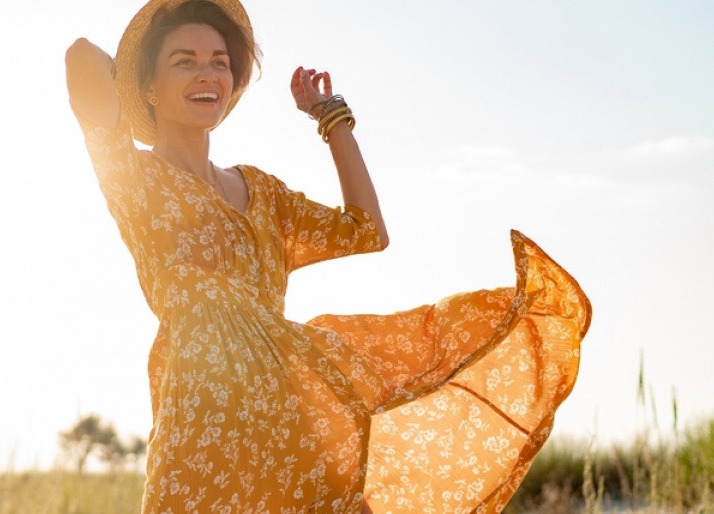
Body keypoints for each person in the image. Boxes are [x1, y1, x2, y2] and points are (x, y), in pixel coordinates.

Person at [65, 0, 591, 512]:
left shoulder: (263, 193)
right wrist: (142, 53)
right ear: (148, 88)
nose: (207, 74)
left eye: (219, 63)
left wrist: (331, 117)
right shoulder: (134, 179)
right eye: (185, 62)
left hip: (291, 416)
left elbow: (367, 231)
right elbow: (82, 57)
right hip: (200, 421)